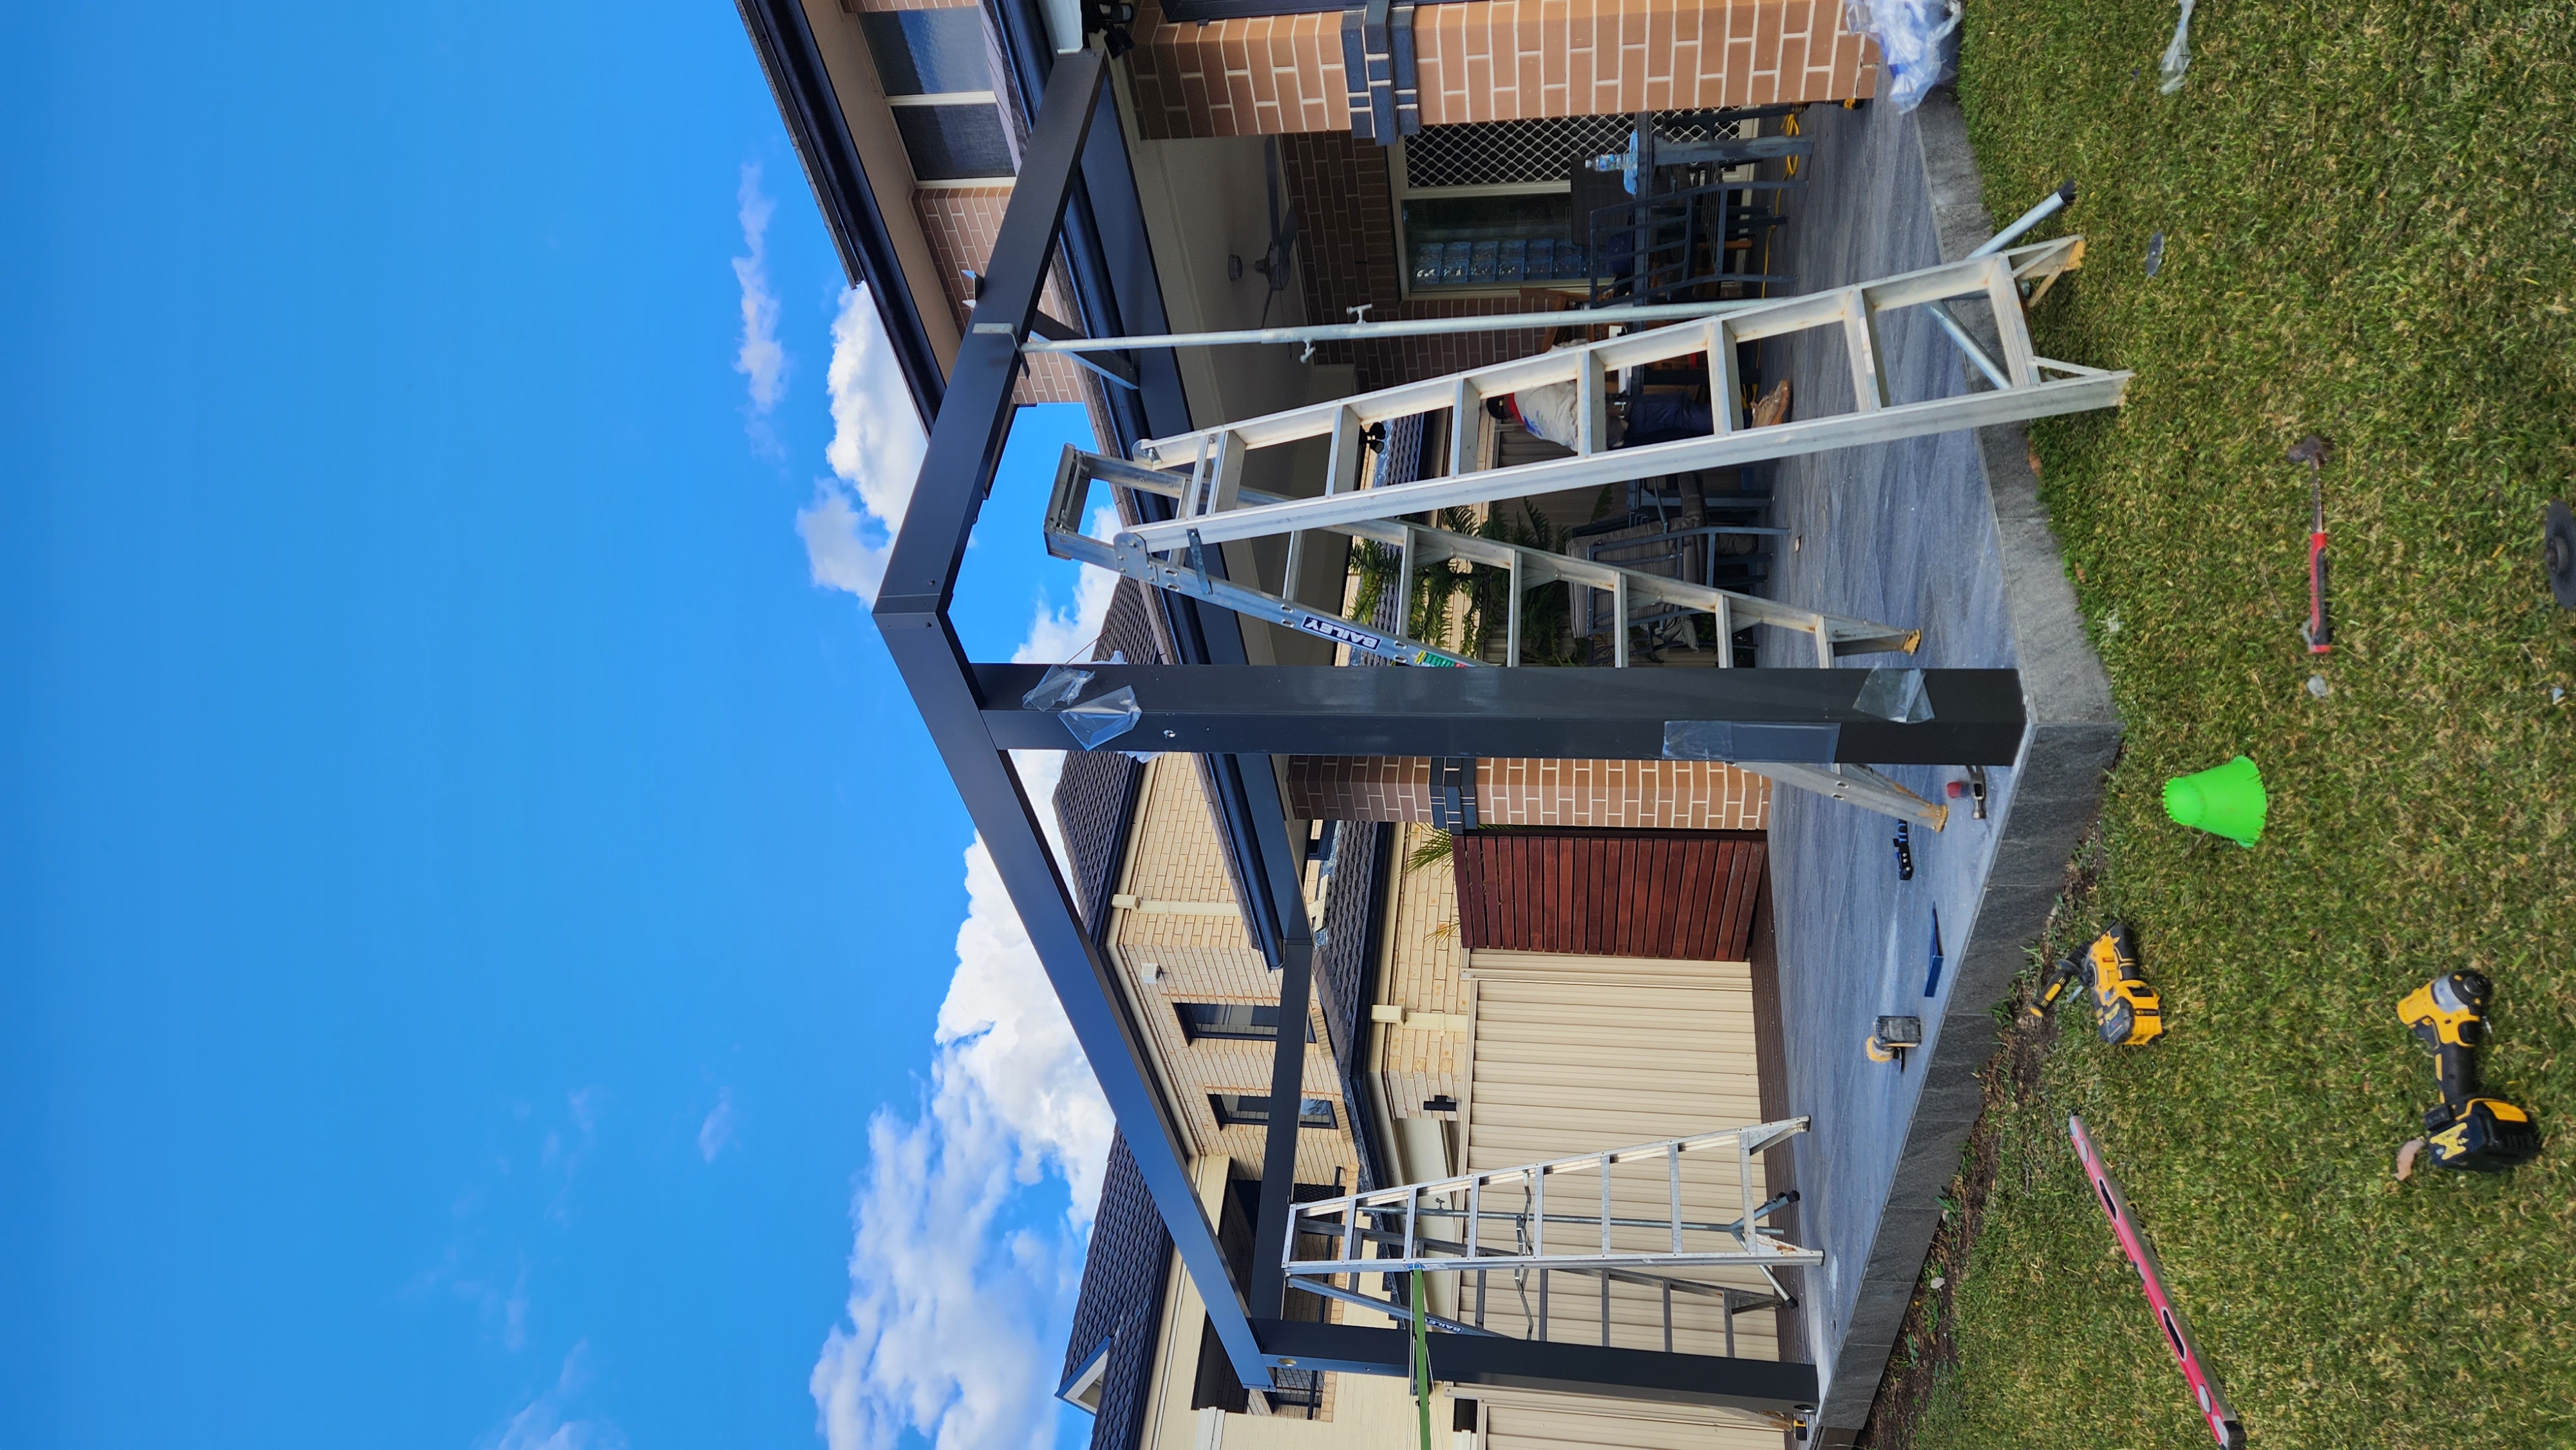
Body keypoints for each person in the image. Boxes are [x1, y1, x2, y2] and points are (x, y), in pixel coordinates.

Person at [1485, 379, 1713, 450]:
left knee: (1676, 430)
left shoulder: (1531, 426)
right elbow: (1568, 351)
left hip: (1609, 440)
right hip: (1612, 411)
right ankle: (1744, 421)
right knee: (1679, 412)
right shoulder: (1527, 383)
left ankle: (1737, 426)